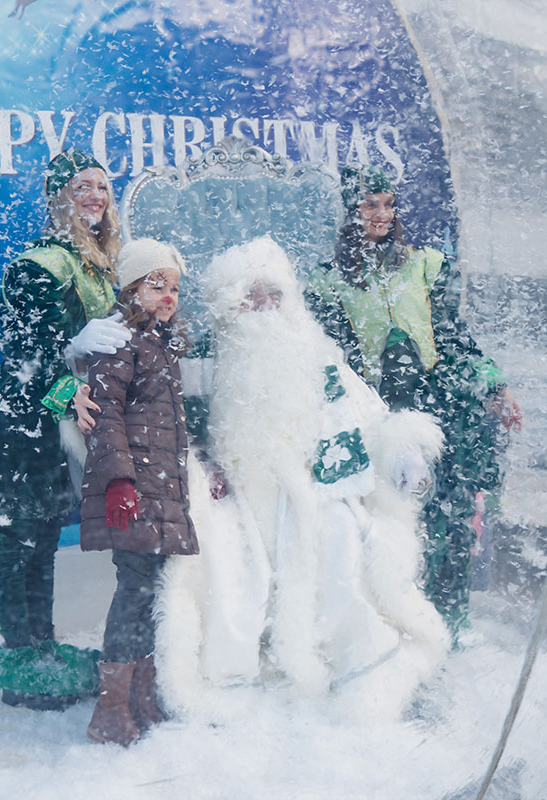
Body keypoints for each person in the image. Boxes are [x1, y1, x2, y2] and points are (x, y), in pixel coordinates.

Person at [153, 236, 448, 723]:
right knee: (228, 561)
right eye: (252, 295)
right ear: (232, 304)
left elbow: (368, 417)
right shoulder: (208, 360)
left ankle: (353, 666)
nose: (265, 306)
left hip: (316, 488)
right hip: (240, 498)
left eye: (274, 294)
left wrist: (400, 447)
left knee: (340, 542)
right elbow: (171, 420)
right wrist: (200, 471)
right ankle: (247, 668)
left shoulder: (318, 354)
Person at [305, 165, 523, 637]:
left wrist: (492, 384)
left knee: (447, 514)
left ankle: (445, 623)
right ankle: (384, 625)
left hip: (434, 400)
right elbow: (329, 352)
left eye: (388, 204)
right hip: (374, 410)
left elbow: (452, 337)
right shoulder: (329, 280)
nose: (380, 214)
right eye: (369, 205)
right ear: (351, 212)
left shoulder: (425, 263)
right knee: (384, 521)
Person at [0, 149, 132, 710]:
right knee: (16, 541)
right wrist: (71, 367)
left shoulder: (98, 264)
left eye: (102, 187)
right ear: (59, 196)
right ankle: (20, 662)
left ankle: (41, 651)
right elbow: (25, 356)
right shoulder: (40, 264)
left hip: (56, 427)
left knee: (40, 544)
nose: (95, 196)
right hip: (20, 424)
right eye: (82, 187)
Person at [77, 239, 200, 746]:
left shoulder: (160, 345)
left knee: (152, 594)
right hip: (136, 488)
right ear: (131, 287)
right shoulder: (119, 340)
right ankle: (110, 707)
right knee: (135, 592)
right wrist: (120, 480)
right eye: (156, 284)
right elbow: (104, 418)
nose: (168, 295)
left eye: (173, 286)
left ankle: (142, 694)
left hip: (161, 488)